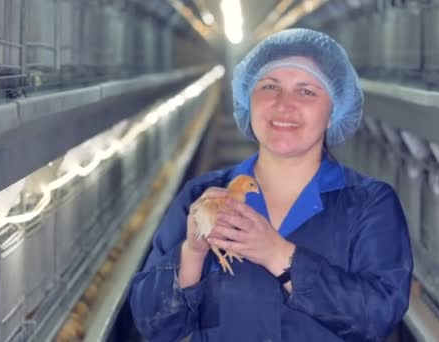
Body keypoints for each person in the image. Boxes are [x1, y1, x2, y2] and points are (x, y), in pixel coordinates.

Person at [129, 28, 413, 342]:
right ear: (248, 101)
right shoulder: (201, 197)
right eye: (269, 86)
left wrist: (280, 256)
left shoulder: (369, 205)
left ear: (333, 112)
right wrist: (193, 252)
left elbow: (378, 317)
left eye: (306, 91)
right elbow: (152, 323)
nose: (283, 104)